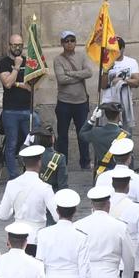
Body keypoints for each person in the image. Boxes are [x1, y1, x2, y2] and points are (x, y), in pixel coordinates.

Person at [0, 30, 45, 177]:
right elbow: (7, 83)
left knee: (33, 143)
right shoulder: (3, 63)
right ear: (9, 46)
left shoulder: (29, 62)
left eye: (20, 45)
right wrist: (17, 68)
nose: (17, 48)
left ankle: (32, 174)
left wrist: (18, 84)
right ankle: (14, 177)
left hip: (27, 110)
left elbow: (33, 87)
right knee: (11, 146)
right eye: (14, 45)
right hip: (10, 111)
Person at [52, 31, 97, 172]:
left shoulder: (82, 56)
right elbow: (61, 79)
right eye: (67, 41)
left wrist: (70, 73)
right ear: (62, 43)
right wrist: (79, 75)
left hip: (81, 102)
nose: (70, 43)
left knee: (82, 134)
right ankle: (62, 163)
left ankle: (85, 162)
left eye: (72, 40)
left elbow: (89, 72)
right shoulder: (58, 60)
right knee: (63, 134)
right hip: (64, 102)